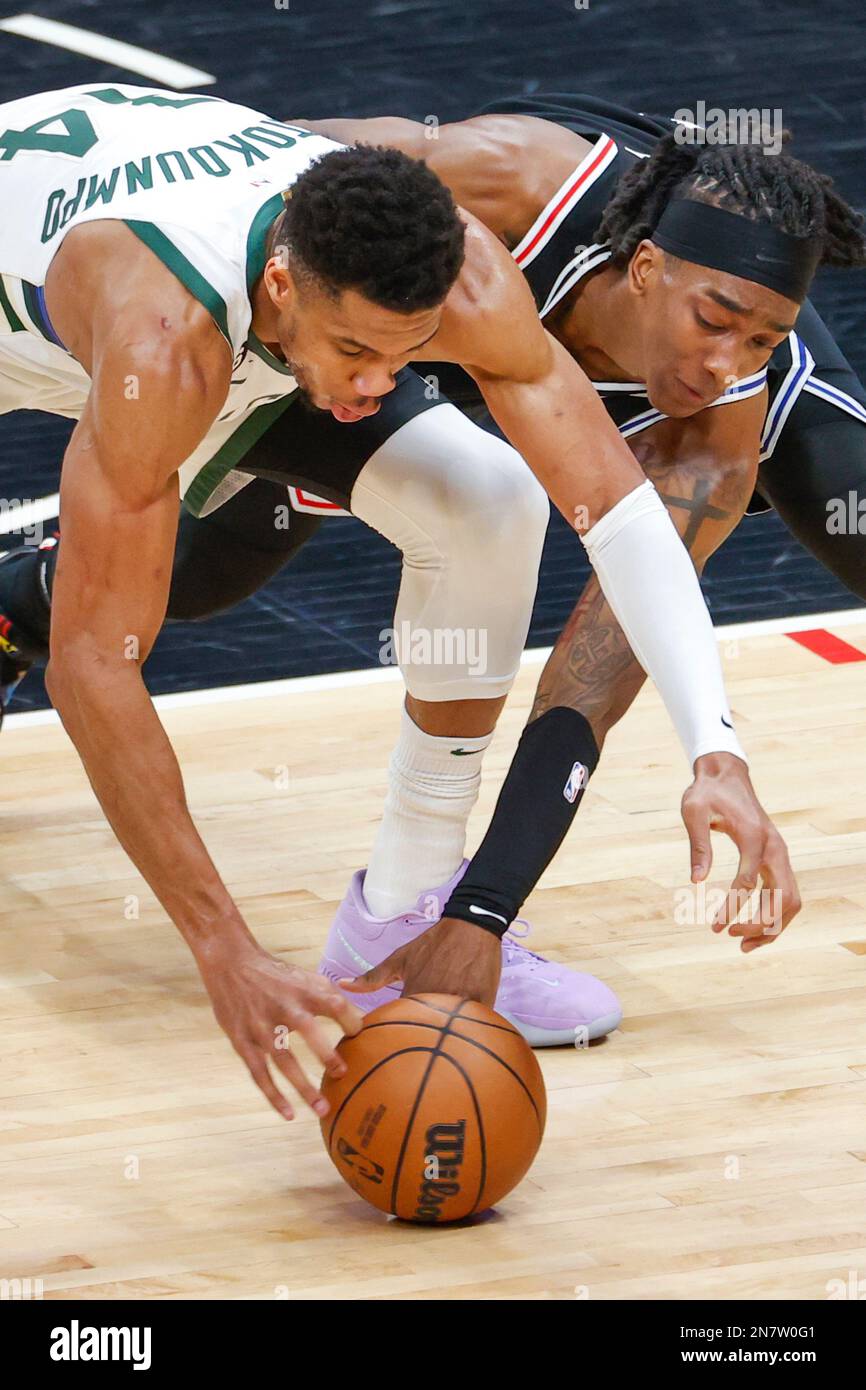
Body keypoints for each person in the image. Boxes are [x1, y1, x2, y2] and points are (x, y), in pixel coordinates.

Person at [0, 83, 793, 1103]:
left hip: (197, 275)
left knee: (488, 494)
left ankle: (403, 908)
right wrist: (224, 949)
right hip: (79, 290)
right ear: (283, 288)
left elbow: (620, 510)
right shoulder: (165, 336)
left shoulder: (452, 272)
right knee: (129, 598)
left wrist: (714, 748)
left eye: (404, 351)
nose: (378, 385)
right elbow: (93, 667)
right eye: (359, 354)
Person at [296, 95, 865, 1018]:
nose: (727, 362)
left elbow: (589, 681)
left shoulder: (715, 428)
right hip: (430, 322)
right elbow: (272, 160)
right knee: (203, 578)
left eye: (760, 340)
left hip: (579, 359)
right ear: (644, 267)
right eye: (715, 321)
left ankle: (414, 906)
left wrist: (482, 915)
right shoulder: (513, 182)